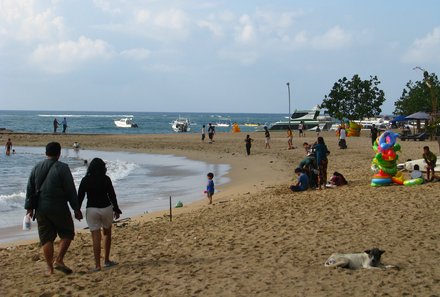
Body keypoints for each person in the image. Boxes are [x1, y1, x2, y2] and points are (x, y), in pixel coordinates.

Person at [24, 142, 82, 275]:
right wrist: (76, 209)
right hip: (59, 207)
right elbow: (70, 190)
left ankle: (50, 268)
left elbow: (30, 189)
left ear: (46, 153)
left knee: (46, 238)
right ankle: (59, 259)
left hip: (41, 209)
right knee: (67, 232)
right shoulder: (63, 168)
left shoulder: (36, 167)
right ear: (59, 153)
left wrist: (29, 208)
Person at [78, 158, 122, 271]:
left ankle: (97, 265)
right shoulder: (106, 179)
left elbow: (80, 197)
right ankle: (106, 260)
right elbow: (112, 195)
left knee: (95, 238)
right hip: (106, 208)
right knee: (107, 233)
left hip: (92, 209)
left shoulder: (85, 180)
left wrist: (77, 210)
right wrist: (116, 209)